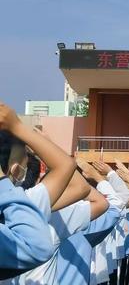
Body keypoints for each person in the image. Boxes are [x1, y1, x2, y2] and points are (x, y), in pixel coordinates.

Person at [0, 102, 76, 279]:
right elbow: (37, 248)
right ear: (15, 170)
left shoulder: (25, 200)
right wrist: (19, 127)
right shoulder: (28, 201)